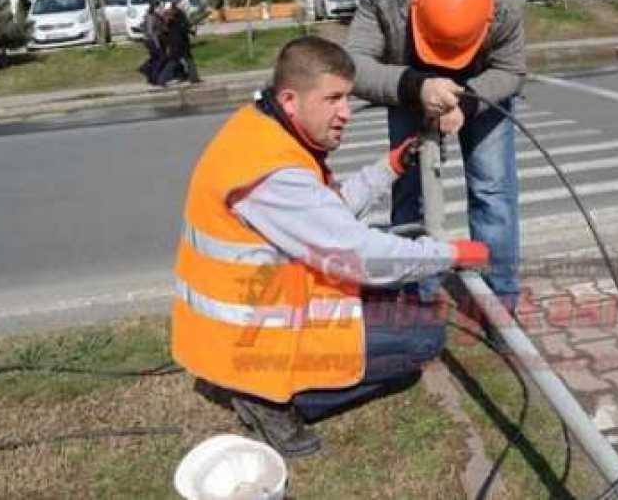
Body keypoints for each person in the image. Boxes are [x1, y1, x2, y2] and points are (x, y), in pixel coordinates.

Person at [171, 36, 489, 457]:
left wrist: (388, 168)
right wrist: (451, 254)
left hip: (259, 317)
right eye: (333, 99)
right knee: (425, 335)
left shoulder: (260, 130)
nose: (346, 113)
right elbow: (362, 256)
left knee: (402, 295)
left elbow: (326, 210)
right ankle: (274, 399)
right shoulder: (273, 174)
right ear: (290, 99)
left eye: (348, 98)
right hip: (256, 343)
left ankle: (270, 385)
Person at [345, 0, 526, 326]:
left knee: (493, 190)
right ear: (412, 8)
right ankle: (415, 299)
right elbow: (353, 63)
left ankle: (501, 303)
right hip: (409, 79)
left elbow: (512, 69)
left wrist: (469, 99)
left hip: (480, 84)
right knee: (409, 192)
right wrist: (414, 86)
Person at [157, 1, 201, 85]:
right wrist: (191, 30)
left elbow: (183, 27)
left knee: (187, 60)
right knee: (175, 62)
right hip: (179, 43)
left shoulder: (172, 16)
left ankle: (194, 78)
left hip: (178, 43)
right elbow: (183, 27)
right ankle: (161, 80)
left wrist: (191, 30)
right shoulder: (176, 16)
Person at [138, 0, 165, 86]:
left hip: (152, 40)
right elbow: (151, 32)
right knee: (160, 59)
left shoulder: (153, 15)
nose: (160, 8)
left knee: (155, 59)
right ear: (154, 6)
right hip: (152, 41)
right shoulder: (151, 16)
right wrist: (157, 44)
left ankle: (150, 76)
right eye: (158, 6)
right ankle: (152, 76)